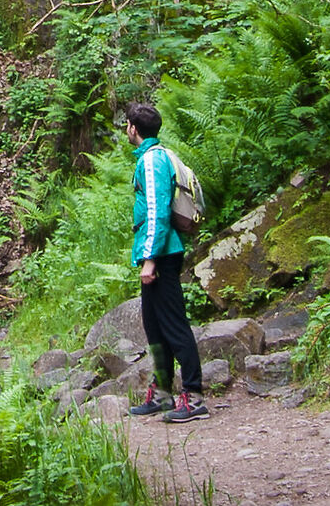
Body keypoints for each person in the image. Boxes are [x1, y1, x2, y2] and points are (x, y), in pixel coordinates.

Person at [124, 101, 207, 421]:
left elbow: (158, 212)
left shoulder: (151, 161)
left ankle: (194, 396)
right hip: (159, 253)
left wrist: (150, 260)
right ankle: (162, 393)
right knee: (155, 327)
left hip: (162, 255)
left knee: (174, 326)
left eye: (127, 125)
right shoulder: (155, 156)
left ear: (134, 128)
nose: (126, 130)